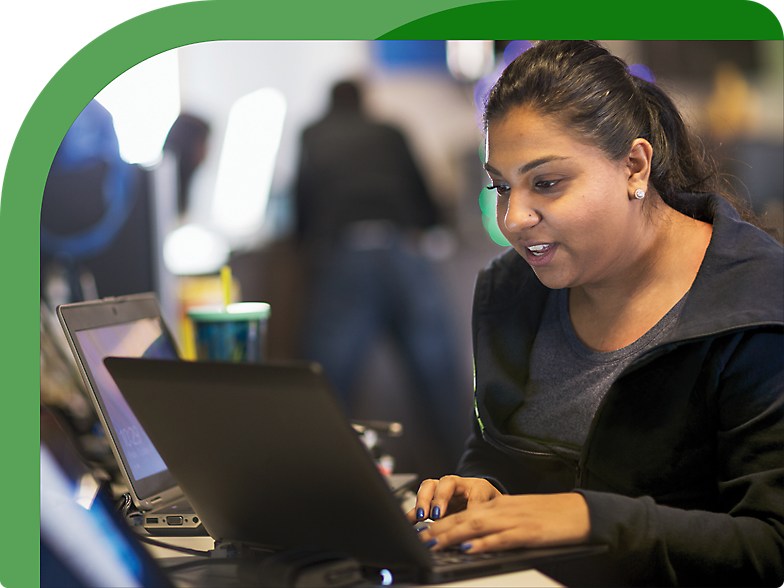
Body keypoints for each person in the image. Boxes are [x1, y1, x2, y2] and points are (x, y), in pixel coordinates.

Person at [407, 40, 783, 587]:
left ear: (634, 166)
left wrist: (590, 517)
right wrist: (482, 488)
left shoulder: (756, 303)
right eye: (501, 187)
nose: (513, 218)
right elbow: (494, 452)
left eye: (548, 183)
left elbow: (770, 545)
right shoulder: (508, 291)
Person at [294, 80, 467, 474]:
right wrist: (430, 225)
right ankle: (470, 479)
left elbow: (302, 198)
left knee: (325, 385)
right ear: (364, 102)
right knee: (438, 378)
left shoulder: (313, 134)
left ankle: (317, 481)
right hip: (402, 250)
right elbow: (425, 195)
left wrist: (307, 244)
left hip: (346, 253)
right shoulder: (390, 130)